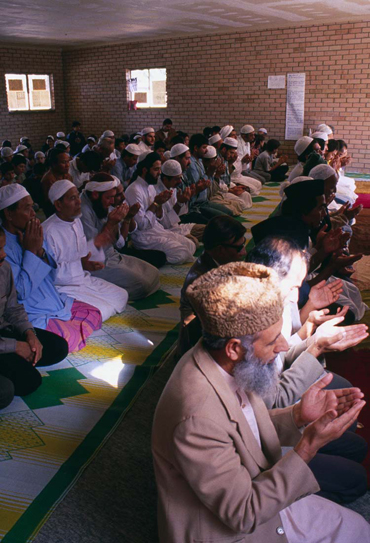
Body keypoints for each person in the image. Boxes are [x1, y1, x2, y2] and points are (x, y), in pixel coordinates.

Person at [152, 261, 370, 543]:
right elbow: (243, 514)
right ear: (233, 348)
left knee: (358, 529)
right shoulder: (197, 419)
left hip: (259, 486)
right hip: (230, 528)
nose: (282, 346)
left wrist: (297, 415)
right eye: (272, 342)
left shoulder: (224, 359)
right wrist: (308, 447)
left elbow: (245, 428)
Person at [0, 184, 102, 352]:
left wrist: (39, 250)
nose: (33, 214)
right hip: (31, 309)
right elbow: (19, 292)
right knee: (67, 339)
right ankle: (68, 331)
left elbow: (52, 276)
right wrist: (31, 252)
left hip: (53, 298)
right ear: (9, 214)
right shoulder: (3, 245)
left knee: (95, 313)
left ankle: (68, 328)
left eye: (33, 207)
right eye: (27, 209)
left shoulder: (31, 232)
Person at [0, 226, 69, 409]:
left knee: (58, 347)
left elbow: (13, 308)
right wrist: (14, 347)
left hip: (4, 331)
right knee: (20, 385)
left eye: (3, 248)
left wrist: (30, 334)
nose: (3, 255)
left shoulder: (3, 268)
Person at [43, 180, 128, 322]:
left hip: (82, 278)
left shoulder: (76, 221)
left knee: (122, 295)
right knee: (102, 308)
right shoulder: (48, 231)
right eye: (72, 198)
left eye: (78, 196)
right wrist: (80, 265)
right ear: (58, 205)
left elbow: (82, 255)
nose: (79, 202)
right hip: (63, 287)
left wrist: (87, 264)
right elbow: (51, 273)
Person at [80, 172, 161, 299]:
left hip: (112, 255)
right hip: (96, 264)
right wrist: (111, 223)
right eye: (109, 197)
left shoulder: (101, 203)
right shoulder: (84, 210)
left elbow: (119, 243)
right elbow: (93, 250)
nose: (112, 201)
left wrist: (125, 219)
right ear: (95, 194)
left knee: (154, 273)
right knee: (142, 285)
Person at [179, 216, 247, 354]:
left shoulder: (218, 261)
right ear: (220, 249)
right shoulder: (202, 282)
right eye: (239, 248)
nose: (244, 252)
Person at [125, 153, 196, 265]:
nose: (159, 173)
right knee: (182, 253)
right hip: (143, 236)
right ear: (145, 170)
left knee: (190, 245)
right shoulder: (134, 190)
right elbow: (141, 225)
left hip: (157, 229)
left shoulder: (150, 186)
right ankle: (152, 257)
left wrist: (159, 204)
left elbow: (160, 218)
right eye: (156, 169)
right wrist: (156, 204)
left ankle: (159, 256)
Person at [183, 134, 233, 220]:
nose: (206, 151)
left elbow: (208, 184)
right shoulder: (191, 165)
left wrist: (214, 172)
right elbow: (199, 186)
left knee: (230, 213)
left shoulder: (200, 161)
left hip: (205, 201)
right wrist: (210, 171)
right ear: (195, 148)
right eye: (204, 147)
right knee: (225, 219)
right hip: (197, 205)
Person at [155, 159, 204, 242]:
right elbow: (166, 224)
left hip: (178, 226)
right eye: (177, 179)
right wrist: (179, 203)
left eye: (180, 178)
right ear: (166, 179)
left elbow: (181, 214)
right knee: (194, 242)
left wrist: (189, 196)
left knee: (208, 229)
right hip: (166, 230)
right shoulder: (157, 193)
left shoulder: (172, 188)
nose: (180, 181)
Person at [41, 148, 72, 217]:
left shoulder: (67, 175)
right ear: (54, 164)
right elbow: (52, 204)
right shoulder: (49, 180)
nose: (67, 165)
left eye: (68, 162)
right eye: (63, 162)